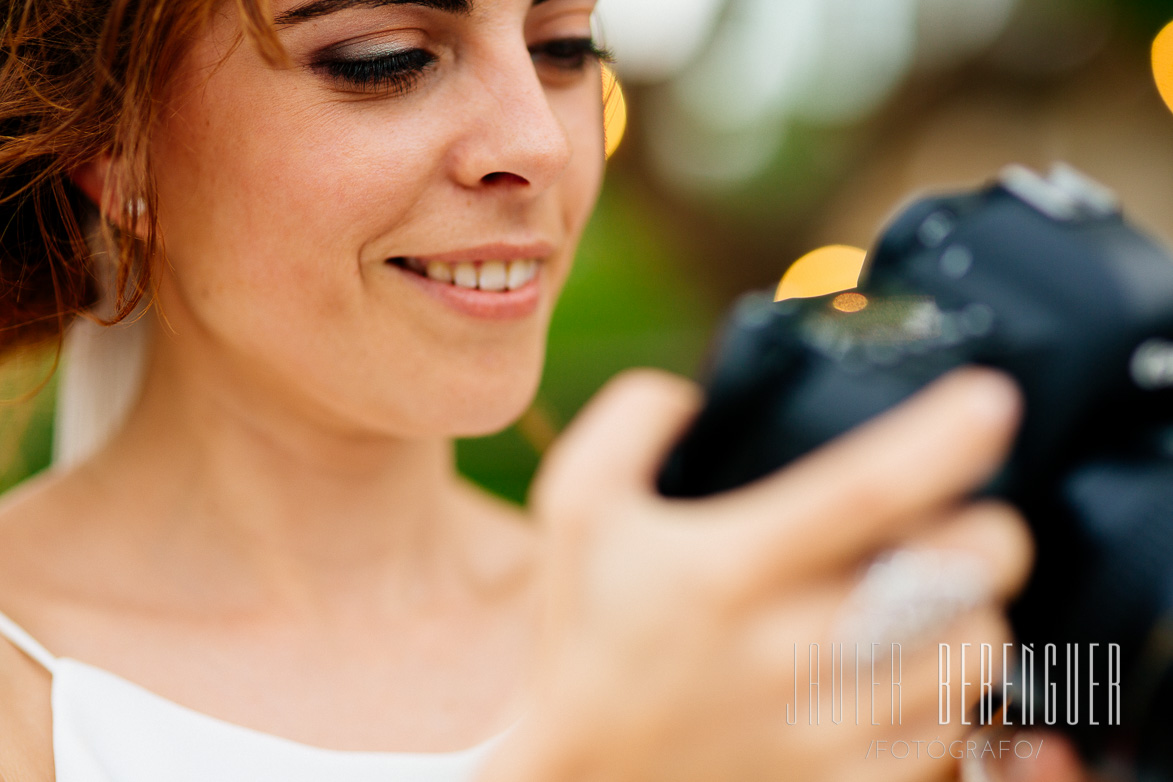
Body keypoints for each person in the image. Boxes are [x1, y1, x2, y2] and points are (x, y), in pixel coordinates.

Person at [0, 0, 1034, 780]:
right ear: (116, 147)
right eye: (386, 61)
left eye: (564, 46)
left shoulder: (729, 630)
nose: (538, 140)